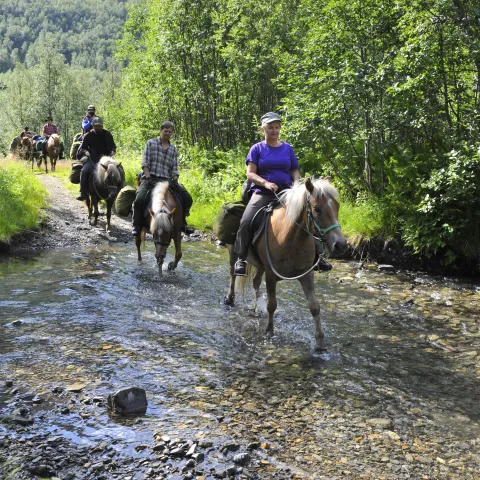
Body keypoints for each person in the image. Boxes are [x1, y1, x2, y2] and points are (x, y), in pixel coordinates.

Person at [233, 112, 332, 276]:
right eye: (271, 127)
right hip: (263, 192)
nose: (274, 130)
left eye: (277, 127)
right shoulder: (257, 149)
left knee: (308, 215)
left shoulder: (287, 148)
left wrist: (295, 185)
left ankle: (318, 257)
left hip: (287, 193)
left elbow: (294, 170)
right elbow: (250, 174)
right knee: (246, 220)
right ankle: (241, 258)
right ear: (263, 129)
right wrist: (265, 183)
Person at [132, 121, 194, 236]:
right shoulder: (150, 143)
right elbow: (145, 162)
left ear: (172, 133)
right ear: (161, 131)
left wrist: (174, 180)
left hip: (166, 181)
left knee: (187, 198)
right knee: (139, 200)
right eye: (165, 131)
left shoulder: (173, 149)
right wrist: (148, 176)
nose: (167, 133)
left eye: (170, 131)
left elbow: (175, 168)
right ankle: (136, 224)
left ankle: (182, 224)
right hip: (150, 178)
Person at [76, 116, 117, 201]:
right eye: (96, 126)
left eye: (100, 126)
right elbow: (83, 147)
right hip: (92, 158)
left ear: (102, 126)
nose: (98, 127)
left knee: (118, 170)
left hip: (106, 158)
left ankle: (119, 190)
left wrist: (113, 151)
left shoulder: (107, 134)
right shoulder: (88, 135)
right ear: (93, 126)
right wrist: (86, 152)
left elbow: (113, 145)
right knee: (84, 171)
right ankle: (82, 192)